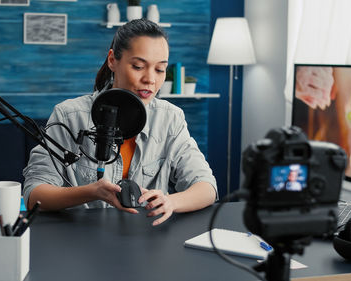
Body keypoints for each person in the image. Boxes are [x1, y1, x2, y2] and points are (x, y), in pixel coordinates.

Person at [22, 19, 217, 226]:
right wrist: (92, 192)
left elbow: (207, 187)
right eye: (138, 66)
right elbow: (34, 195)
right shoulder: (69, 115)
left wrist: (170, 202)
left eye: (160, 69)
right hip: (80, 241)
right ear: (113, 60)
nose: (150, 79)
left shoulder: (170, 118)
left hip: (146, 241)